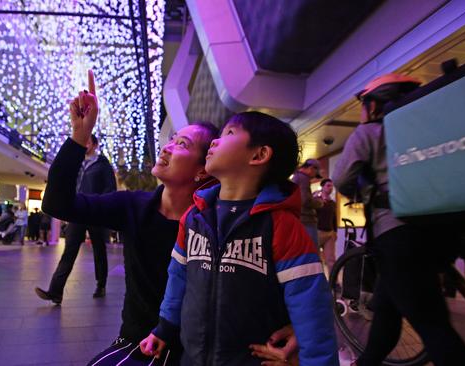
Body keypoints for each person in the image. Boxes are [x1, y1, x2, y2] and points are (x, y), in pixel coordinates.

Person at [36, 71, 296, 365]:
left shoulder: (220, 222)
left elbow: (286, 280)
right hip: (141, 342)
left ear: (203, 169)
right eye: (171, 140)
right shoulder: (134, 205)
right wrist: (79, 135)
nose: (167, 147)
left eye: (182, 144)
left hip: (199, 352)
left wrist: (297, 329)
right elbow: (57, 204)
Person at [140, 111, 338, 365]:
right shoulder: (194, 217)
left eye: (229, 134)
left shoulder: (282, 225)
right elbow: (178, 275)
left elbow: (311, 304)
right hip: (193, 358)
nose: (215, 141)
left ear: (259, 155)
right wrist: (165, 327)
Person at [332, 73, 465, 365]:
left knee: (433, 325)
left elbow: (341, 178)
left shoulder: (370, 132)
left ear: (373, 106)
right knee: (386, 310)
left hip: (397, 234)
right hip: (440, 232)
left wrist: (362, 190)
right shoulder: (429, 131)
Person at [36, 134, 117, 301]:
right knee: (69, 250)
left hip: (95, 211)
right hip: (77, 211)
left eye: (88, 142)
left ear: (95, 145)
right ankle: (55, 291)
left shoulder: (103, 165)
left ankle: (101, 284)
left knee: (99, 250)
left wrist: (102, 208)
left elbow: (110, 188)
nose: (85, 145)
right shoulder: (78, 163)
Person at [292, 159, 323, 246]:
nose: (313, 177)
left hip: (298, 218)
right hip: (306, 220)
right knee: (312, 250)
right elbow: (305, 200)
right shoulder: (303, 178)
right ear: (311, 168)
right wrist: (319, 202)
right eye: (315, 174)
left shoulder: (296, 177)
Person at [315, 178, 337, 274]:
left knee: (331, 260)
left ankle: (334, 282)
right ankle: (319, 282)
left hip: (329, 233)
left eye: (331, 186)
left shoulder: (332, 203)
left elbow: (334, 218)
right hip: (317, 232)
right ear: (322, 187)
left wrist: (335, 231)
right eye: (328, 186)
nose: (330, 188)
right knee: (316, 260)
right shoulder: (316, 201)